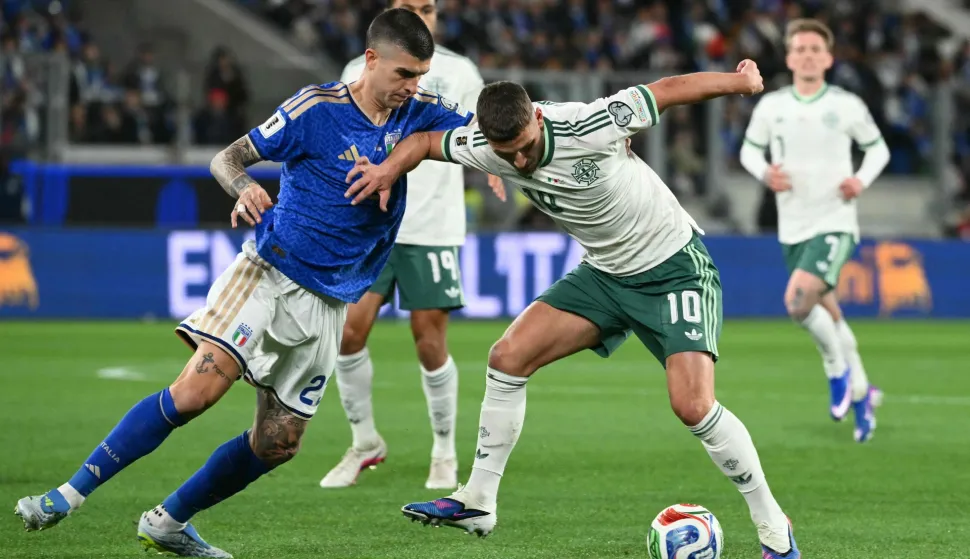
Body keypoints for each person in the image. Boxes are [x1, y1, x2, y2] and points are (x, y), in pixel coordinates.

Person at [13, 9, 474, 558]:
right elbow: (227, 157)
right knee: (195, 393)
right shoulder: (314, 108)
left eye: (420, 75)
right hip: (269, 273)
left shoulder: (420, 110)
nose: (413, 86)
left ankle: (168, 522)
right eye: (404, 74)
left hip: (330, 302)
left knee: (278, 444)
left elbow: (472, 131)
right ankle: (66, 495)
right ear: (371, 60)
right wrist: (243, 187)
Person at [345, 60, 802, 558]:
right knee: (507, 357)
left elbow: (667, 90)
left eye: (524, 148)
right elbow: (427, 143)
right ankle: (478, 499)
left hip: (673, 267)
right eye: (507, 154)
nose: (519, 162)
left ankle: (772, 523)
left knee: (692, 405)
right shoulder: (485, 145)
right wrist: (388, 168)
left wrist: (741, 83)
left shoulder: (591, 122)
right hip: (604, 275)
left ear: (537, 119)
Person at [320, 0, 503, 491]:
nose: (420, 15)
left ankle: (443, 451)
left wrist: (496, 168)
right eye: (409, 6)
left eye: (428, 7)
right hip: (370, 225)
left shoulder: (458, 70)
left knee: (429, 341)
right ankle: (364, 442)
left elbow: (480, 128)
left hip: (432, 226)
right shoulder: (360, 69)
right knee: (348, 335)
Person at [739, 19, 890, 443]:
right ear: (789, 58)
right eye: (799, 49)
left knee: (798, 300)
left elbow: (878, 149)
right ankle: (863, 393)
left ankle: (836, 371)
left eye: (814, 49)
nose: (806, 55)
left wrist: (860, 180)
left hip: (835, 221)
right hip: (793, 225)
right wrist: (766, 173)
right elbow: (749, 150)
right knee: (830, 311)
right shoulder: (773, 107)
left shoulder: (846, 105)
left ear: (828, 58)